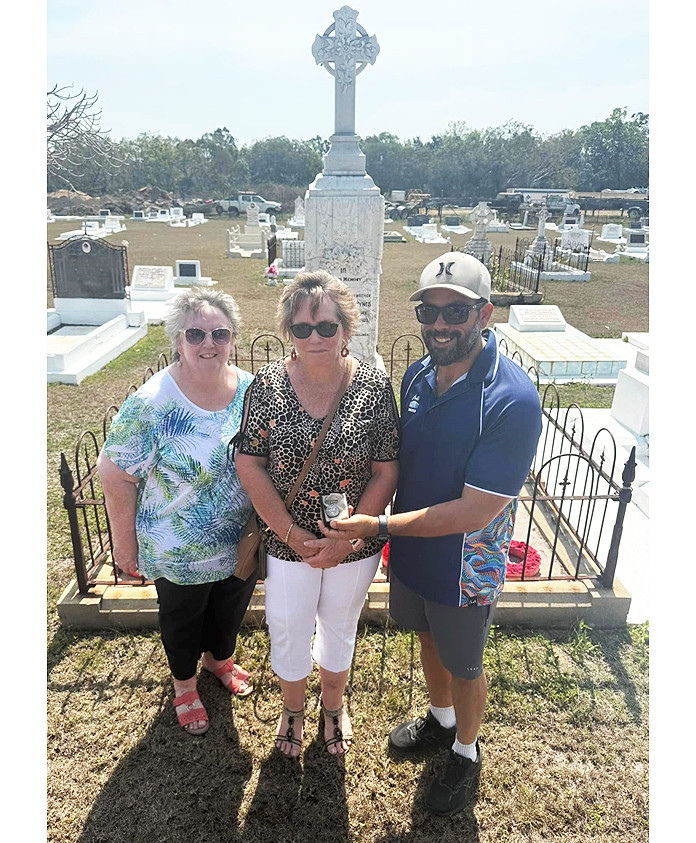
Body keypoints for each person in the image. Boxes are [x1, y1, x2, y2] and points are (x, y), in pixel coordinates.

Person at [319, 252, 542, 814]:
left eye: (456, 313)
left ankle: (466, 753)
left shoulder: (510, 399)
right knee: (425, 636)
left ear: (485, 314)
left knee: (465, 663)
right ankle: (441, 722)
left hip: (465, 559)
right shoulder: (417, 374)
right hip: (413, 546)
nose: (440, 326)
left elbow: (474, 511)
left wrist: (379, 525)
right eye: (430, 312)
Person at [235, 271, 400, 758]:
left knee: (338, 624)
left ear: (346, 331)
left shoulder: (372, 387)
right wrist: (290, 531)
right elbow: (249, 463)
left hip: (354, 544)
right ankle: (292, 709)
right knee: (288, 625)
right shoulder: (267, 386)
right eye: (303, 328)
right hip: (289, 542)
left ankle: (332, 705)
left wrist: (346, 540)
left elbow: (386, 471)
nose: (315, 338)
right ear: (289, 332)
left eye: (326, 327)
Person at [97, 288, 257, 736]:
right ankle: (184, 683)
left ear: (232, 338)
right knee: (183, 617)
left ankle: (219, 661)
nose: (209, 343)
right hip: (176, 548)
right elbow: (114, 475)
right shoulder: (151, 404)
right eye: (196, 334)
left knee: (228, 609)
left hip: (237, 541)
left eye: (219, 333)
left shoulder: (251, 391)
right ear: (178, 340)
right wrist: (124, 548)